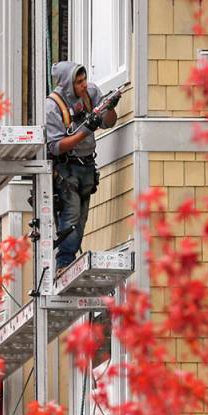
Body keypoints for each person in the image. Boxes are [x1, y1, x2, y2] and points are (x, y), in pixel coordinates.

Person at [45, 61, 120, 273]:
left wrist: (110, 107)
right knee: (70, 213)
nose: (83, 85)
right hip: (67, 168)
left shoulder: (91, 93)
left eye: (84, 79)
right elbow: (56, 146)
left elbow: (109, 122)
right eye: (78, 82)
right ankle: (63, 263)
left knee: (82, 216)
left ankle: (69, 259)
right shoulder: (53, 106)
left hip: (87, 164)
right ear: (67, 83)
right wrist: (85, 131)